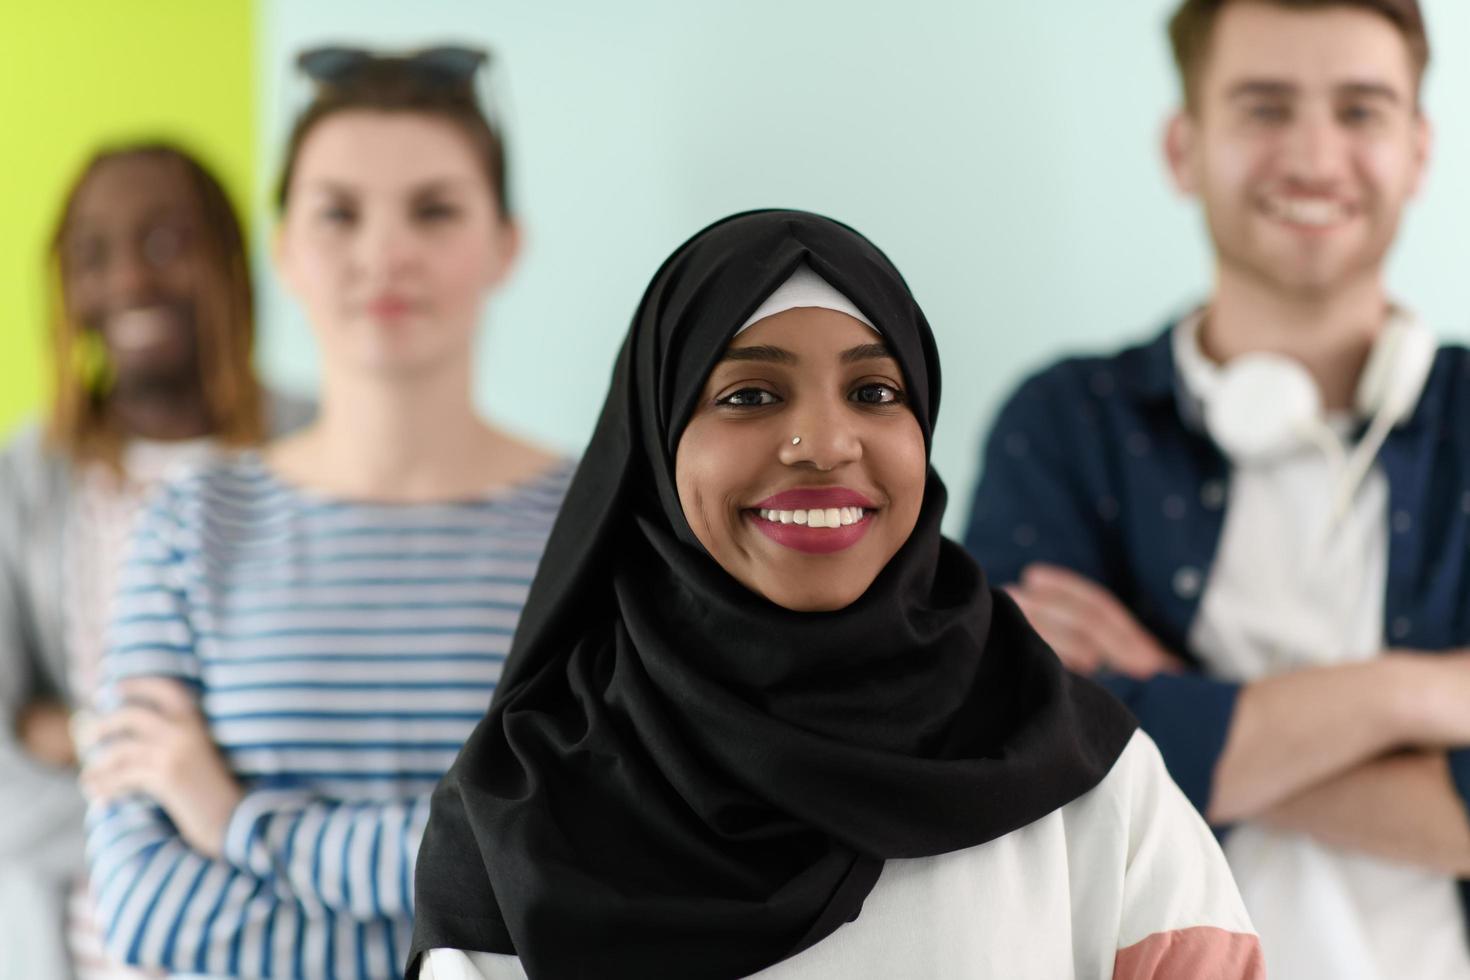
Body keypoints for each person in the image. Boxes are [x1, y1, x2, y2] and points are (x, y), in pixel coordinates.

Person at [408, 210, 1263, 980]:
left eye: (874, 393)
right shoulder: (525, 803)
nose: (823, 442)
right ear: (658, 448)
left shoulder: (1083, 772)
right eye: (749, 394)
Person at [964, 1, 1470, 977]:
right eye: (1265, 107)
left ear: (1418, 150)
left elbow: (1093, 739)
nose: (1315, 157)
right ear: (1183, 148)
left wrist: (1159, 708)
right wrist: (1427, 692)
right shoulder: (1067, 422)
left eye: (1360, 111)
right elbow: (1020, 761)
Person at [80, 47, 570, 978]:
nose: (385, 252)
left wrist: (234, 821)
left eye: (434, 209)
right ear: (284, 249)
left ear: (505, 241)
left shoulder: (591, 528)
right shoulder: (188, 528)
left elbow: (568, 870)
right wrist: (451, 901)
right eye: (338, 212)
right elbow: (143, 910)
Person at [0, 141, 312, 979]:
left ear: (230, 262)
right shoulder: (19, 483)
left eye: (165, 243)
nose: (130, 283)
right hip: (74, 946)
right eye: (92, 256)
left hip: (289, 941)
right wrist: (191, 809)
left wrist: (76, 736)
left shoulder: (324, 453)